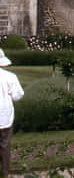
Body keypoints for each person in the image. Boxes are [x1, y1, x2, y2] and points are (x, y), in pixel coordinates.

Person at [0, 48, 24, 177]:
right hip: (4, 117)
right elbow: (18, 95)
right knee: (4, 146)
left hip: (4, 116)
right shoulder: (10, 77)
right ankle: (4, 173)